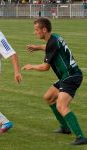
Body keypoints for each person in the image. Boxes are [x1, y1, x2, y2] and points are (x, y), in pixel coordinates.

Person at [22, 17, 87, 145]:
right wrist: (37, 47)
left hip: (71, 76)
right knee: (49, 97)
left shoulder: (52, 43)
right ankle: (65, 128)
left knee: (61, 105)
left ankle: (81, 137)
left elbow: (45, 67)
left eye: (36, 30)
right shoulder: (55, 37)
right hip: (67, 75)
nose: (34, 32)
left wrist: (31, 66)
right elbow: (47, 46)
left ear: (44, 29)